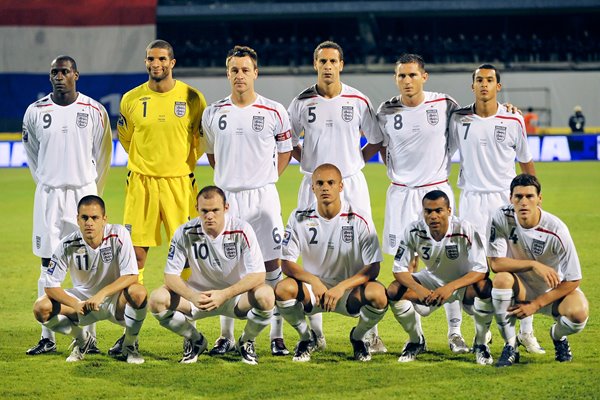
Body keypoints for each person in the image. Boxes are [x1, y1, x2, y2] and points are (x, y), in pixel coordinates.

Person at [287, 40, 385, 351]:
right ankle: (316, 333)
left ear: (341, 64)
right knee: (309, 248)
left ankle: (370, 332)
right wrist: (310, 166)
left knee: (362, 249)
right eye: (322, 61)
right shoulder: (302, 102)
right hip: (313, 183)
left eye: (333, 61)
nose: (327, 66)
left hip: (352, 182)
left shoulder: (357, 99)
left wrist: (354, 163)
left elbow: (377, 139)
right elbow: (287, 141)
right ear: (315, 65)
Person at [376, 53, 471, 354]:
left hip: (435, 191)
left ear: (424, 77)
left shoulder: (444, 104)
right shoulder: (386, 109)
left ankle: (455, 333)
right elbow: (382, 147)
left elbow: (464, 129)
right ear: (396, 79)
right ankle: (414, 337)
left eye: (412, 75)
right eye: (401, 76)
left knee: (450, 263)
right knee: (401, 264)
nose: (407, 81)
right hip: (401, 193)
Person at [202, 45, 292, 356]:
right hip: (228, 199)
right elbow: (212, 154)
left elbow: (285, 152)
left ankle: (275, 335)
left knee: (272, 267)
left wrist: (266, 179)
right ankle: (225, 336)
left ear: (256, 72)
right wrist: (231, 180)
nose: (240, 75)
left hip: (263, 197)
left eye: (245, 70)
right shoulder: (214, 113)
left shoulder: (274, 111)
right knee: (227, 269)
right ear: (227, 73)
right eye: (234, 70)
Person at [448, 64, 544, 354]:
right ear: (472, 86)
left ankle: (526, 331)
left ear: (498, 87)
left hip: (505, 202)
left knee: (518, 266)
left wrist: (535, 197)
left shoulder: (513, 118)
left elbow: (526, 161)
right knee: (464, 267)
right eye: (479, 80)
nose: (484, 85)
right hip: (471, 200)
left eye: (490, 80)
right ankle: (458, 333)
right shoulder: (458, 118)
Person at [23, 55, 112, 355]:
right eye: (54, 72)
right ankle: (47, 337)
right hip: (49, 196)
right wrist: (48, 182)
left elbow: (103, 154)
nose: (59, 76)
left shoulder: (94, 110)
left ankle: (90, 337)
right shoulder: (35, 112)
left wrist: (90, 192)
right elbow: (32, 155)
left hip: (82, 193)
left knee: (86, 266)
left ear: (76, 74)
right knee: (47, 264)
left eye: (64, 71)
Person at [149, 186, 275, 365]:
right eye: (205, 211)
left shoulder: (242, 230)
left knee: (266, 295)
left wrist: (224, 294)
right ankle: (195, 340)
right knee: (157, 299)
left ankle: (246, 341)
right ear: (197, 209)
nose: (210, 216)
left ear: (226, 208)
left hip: (235, 298)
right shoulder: (185, 232)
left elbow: (258, 275)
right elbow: (170, 276)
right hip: (199, 297)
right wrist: (192, 296)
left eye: (215, 210)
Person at [275, 164, 388, 362]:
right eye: (320, 183)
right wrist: (314, 281)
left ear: (341, 187)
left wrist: (341, 287)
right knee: (283, 289)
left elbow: (374, 267)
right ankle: (306, 338)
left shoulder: (360, 218)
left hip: (348, 293)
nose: (325, 187)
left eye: (330, 183)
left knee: (379, 294)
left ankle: (358, 337)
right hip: (315, 292)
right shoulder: (299, 217)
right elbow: (286, 263)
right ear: (312, 188)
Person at [117, 39, 207, 284]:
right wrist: (146, 160)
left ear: (172, 62)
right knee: (135, 253)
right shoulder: (131, 99)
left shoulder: (193, 98)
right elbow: (126, 139)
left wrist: (178, 162)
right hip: (141, 183)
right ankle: (134, 309)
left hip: (179, 183)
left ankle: (190, 307)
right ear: (146, 61)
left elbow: (200, 140)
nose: (156, 64)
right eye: (151, 59)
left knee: (187, 251)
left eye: (161, 59)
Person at [32, 195, 147, 364]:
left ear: (104, 219)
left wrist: (102, 294)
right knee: (41, 308)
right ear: (77, 219)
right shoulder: (67, 244)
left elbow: (131, 275)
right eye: (84, 218)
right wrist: (75, 304)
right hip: (82, 304)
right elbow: (50, 286)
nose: (89, 223)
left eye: (94, 218)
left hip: (113, 302)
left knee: (139, 292)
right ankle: (82, 340)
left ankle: (129, 345)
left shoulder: (119, 234)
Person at [489, 174, 588, 366]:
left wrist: (536, 304)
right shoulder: (501, 216)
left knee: (579, 314)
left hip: (551, 291)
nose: (523, 202)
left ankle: (557, 336)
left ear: (539, 199)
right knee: (501, 280)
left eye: (529, 196)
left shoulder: (556, 230)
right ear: (511, 199)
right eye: (518, 197)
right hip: (521, 287)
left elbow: (574, 279)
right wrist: (533, 264)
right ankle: (510, 345)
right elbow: (495, 263)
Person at [387, 190, 494, 365]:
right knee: (394, 290)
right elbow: (399, 269)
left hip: (463, 284)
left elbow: (482, 269)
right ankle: (416, 340)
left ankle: (481, 343)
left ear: (449, 211)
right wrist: (419, 289)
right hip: (432, 281)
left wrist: (450, 287)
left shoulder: (464, 228)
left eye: (439, 210)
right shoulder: (414, 230)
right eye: (428, 211)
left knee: (485, 287)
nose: (433, 216)